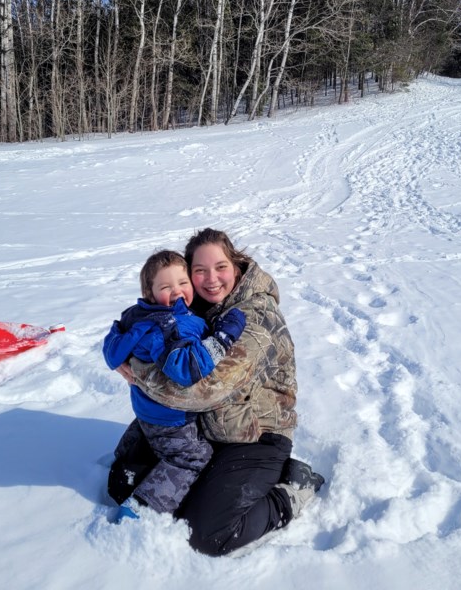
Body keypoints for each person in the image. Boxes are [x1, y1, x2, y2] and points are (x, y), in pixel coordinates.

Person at [107, 228, 326, 556]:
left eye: (220, 267)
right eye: (199, 271)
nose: (211, 279)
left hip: (255, 434)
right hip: (205, 427)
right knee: (123, 483)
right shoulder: (192, 306)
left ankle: (292, 491)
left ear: (236, 266)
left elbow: (201, 390)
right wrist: (117, 351)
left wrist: (135, 368)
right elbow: (135, 325)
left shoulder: (252, 318)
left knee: (208, 533)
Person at [102, 249, 247, 521]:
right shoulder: (171, 327)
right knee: (194, 458)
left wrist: (115, 360)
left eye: (183, 283)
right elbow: (185, 369)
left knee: (151, 434)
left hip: (146, 410)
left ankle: (126, 456)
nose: (178, 291)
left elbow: (113, 343)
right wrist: (223, 338)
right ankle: (144, 506)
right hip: (172, 417)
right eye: (166, 287)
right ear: (150, 292)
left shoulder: (135, 314)